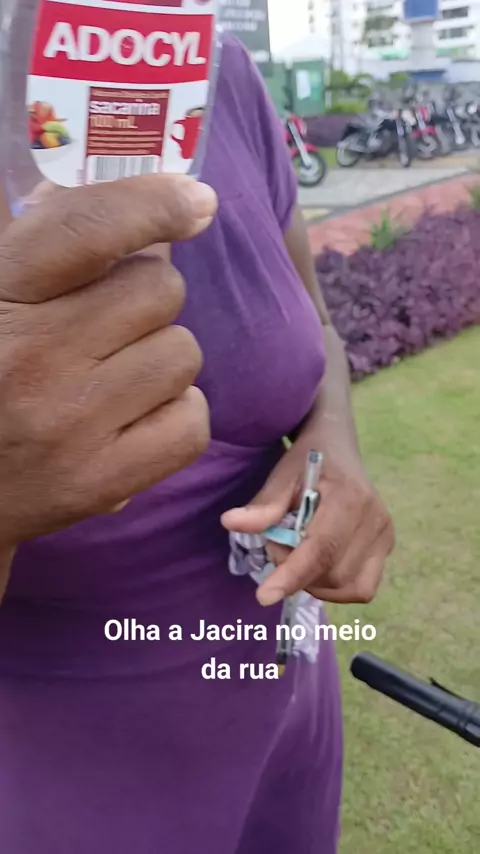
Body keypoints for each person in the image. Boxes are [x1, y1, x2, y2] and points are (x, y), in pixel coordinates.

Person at [0, 35, 394, 854]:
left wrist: (333, 446)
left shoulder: (222, 71)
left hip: (290, 720)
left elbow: (318, 327)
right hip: (78, 786)